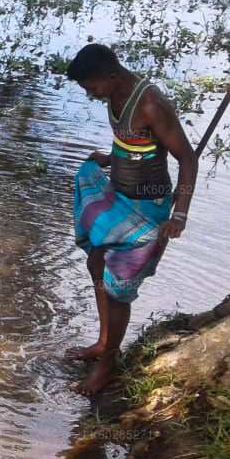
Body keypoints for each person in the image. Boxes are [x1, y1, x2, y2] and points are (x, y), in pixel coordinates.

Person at [66, 43, 197, 396]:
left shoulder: (150, 104)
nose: (91, 95)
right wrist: (110, 159)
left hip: (147, 209)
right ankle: (104, 342)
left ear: (111, 75)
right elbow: (135, 142)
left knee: (118, 291)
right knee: (96, 264)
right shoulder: (115, 96)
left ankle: (107, 365)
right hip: (119, 196)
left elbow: (187, 158)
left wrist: (179, 215)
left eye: (92, 87)